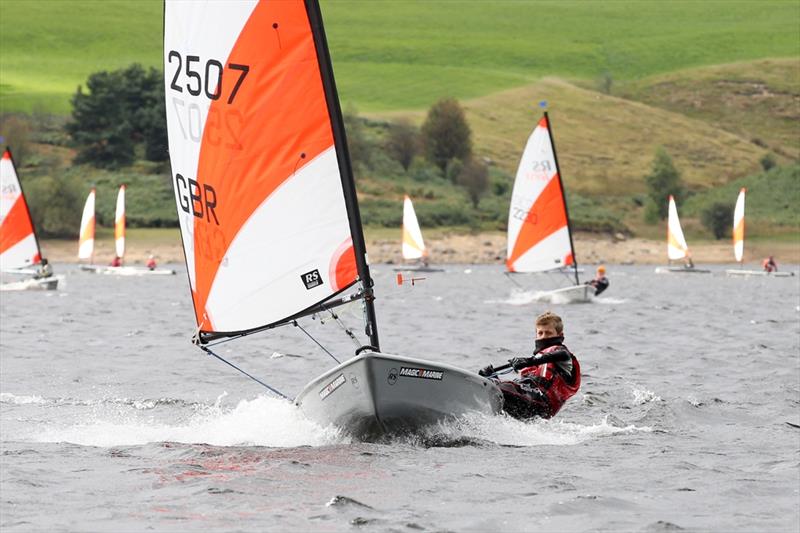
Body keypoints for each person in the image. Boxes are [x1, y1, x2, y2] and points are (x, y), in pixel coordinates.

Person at [478, 311, 581, 420]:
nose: (544, 337)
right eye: (540, 333)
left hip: (541, 404)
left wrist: (527, 361)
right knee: (491, 379)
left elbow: (560, 354)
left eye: (548, 333)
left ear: (560, 335)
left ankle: (493, 384)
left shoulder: (563, 355)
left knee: (500, 387)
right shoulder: (536, 361)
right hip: (528, 401)